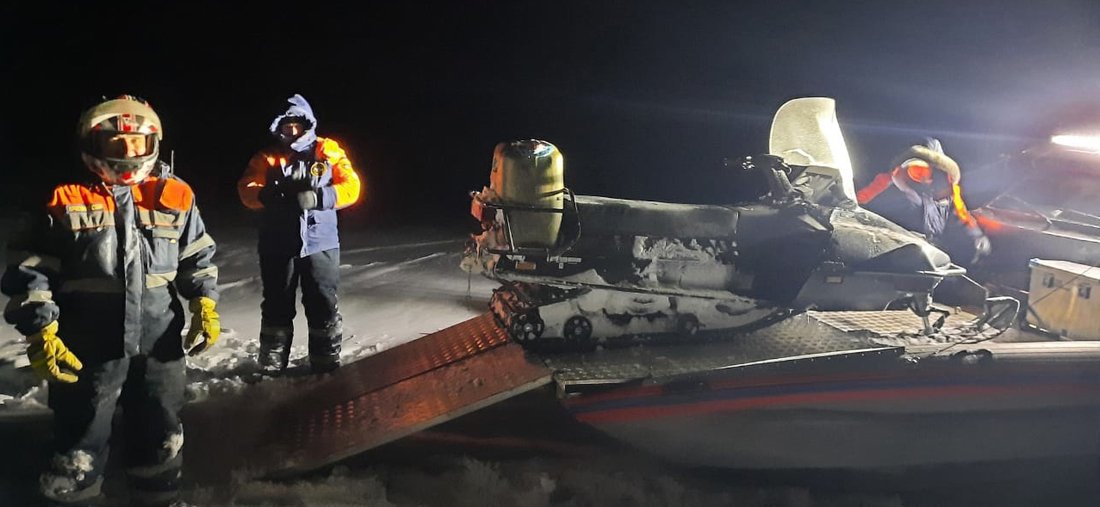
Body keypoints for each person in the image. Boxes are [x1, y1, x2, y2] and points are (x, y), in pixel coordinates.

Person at [1, 95, 220, 506]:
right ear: (93, 143)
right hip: (87, 342)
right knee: (81, 433)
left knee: (161, 428)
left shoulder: (174, 194)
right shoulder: (63, 197)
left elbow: (197, 255)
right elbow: (30, 268)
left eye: (137, 145)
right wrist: (40, 329)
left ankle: (158, 498)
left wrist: (204, 303)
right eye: (117, 145)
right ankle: (76, 497)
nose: (129, 155)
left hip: (160, 342)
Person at [237, 94, 362, 375]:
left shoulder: (327, 150)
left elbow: (352, 186)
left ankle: (325, 362)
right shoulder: (267, 157)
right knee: (276, 304)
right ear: (278, 128)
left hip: (321, 243)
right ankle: (271, 363)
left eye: (297, 125)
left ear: (308, 124)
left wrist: (321, 196)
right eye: (286, 126)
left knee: (322, 302)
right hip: (277, 244)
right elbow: (246, 188)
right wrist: (266, 194)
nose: (292, 131)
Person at [856, 138, 992, 261]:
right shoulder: (886, 182)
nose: (926, 178)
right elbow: (858, 205)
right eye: (918, 170)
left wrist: (976, 236)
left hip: (930, 256)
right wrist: (902, 187)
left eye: (934, 171)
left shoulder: (947, 193)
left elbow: (962, 216)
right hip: (887, 251)